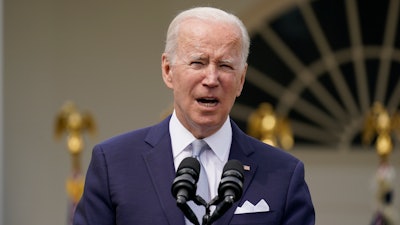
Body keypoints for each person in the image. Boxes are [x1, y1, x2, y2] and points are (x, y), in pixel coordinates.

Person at [73, 6, 315, 225]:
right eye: (198, 63)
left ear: (241, 79)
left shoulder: (283, 174)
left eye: (225, 66)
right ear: (168, 71)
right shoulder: (113, 164)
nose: (211, 79)